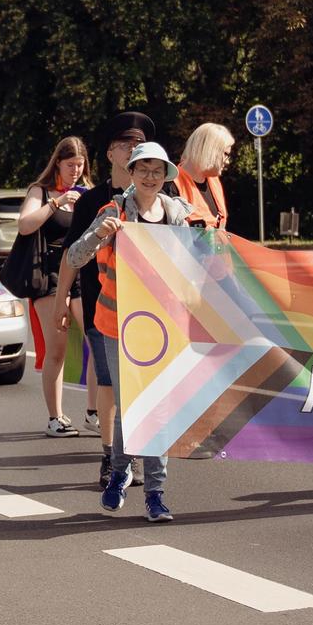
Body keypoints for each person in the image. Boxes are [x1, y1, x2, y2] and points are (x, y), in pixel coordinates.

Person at [65, 140, 189, 523]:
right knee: (133, 407)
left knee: (157, 409)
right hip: (116, 324)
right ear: (131, 173)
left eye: (157, 171)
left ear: (166, 176)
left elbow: (192, 267)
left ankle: (153, 492)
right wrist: (98, 234)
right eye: (143, 170)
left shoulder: (175, 215)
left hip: (161, 329)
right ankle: (122, 474)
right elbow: (74, 256)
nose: (150, 177)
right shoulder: (113, 210)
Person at [53, 111, 153, 486]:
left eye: (139, 146)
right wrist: (62, 300)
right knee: (110, 384)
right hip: (104, 307)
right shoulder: (92, 200)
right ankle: (112, 456)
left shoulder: (160, 199)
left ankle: (135, 453)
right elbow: (71, 255)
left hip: (148, 311)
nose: (133, 151)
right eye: (126, 145)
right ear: (110, 153)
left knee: (140, 385)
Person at [17, 136, 91, 436]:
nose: (75, 170)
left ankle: (94, 412)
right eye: (70, 164)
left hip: (81, 273)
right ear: (57, 163)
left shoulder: (87, 192)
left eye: (80, 164)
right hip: (48, 275)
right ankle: (55, 417)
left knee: (97, 341)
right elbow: (25, 224)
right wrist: (58, 202)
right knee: (57, 347)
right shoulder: (41, 190)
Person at [176, 123, 234, 230]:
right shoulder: (172, 184)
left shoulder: (214, 180)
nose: (228, 162)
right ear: (210, 150)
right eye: (225, 154)